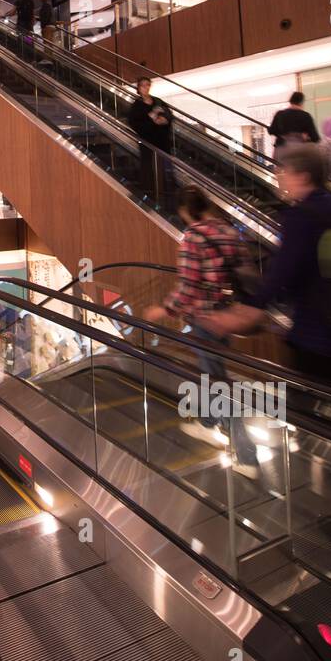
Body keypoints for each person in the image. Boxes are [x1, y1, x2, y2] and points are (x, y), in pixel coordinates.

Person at [203, 144, 331, 397]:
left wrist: (248, 309)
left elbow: (281, 275)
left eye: (283, 172)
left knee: (314, 423)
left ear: (303, 176)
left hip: (317, 342)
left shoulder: (300, 217)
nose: (279, 178)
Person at [143, 186, 259, 473]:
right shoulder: (230, 232)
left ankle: (247, 455)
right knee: (212, 372)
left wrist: (163, 309)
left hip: (205, 318)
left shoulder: (194, 238)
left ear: (187, 211)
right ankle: (208, 422)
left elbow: (188, 287)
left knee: (217, 379)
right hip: (229, 316)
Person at [127, 76, 174, 205]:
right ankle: (150, 192)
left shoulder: (158, 101)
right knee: (148, 165)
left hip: (162, 141)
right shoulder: (136, 105)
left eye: (148, 85)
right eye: (142, 85)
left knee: (165, 165)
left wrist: (164, 120)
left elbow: (169, 115)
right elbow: (134, 123)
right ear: (138, 88)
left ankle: (167, 190)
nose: (145, 87)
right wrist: (151, 120)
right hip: (147, 142)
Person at [268, 92, 319, 163]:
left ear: (291, 101)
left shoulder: (280, 114)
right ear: (301, 102)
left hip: (281, 151)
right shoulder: (306, 116)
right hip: (299, 153)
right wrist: (306, 138)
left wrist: (282, 134)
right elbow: (315, 138)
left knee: (282, 172)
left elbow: (271, 131)